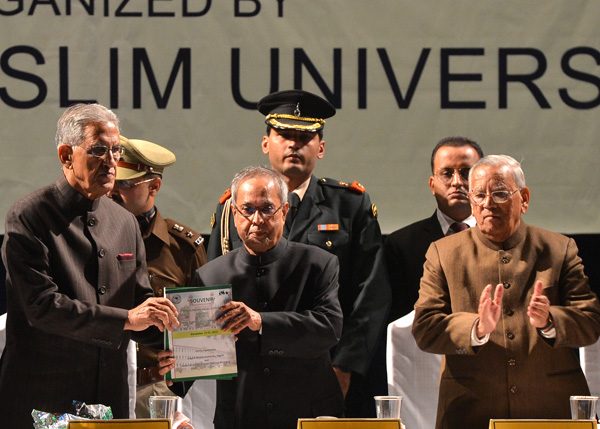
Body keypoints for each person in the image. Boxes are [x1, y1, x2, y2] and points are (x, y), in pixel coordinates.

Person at [207, 90, 390, 416]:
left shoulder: (349, 205)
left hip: (325, 371)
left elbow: (370, 296)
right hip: (250, 379)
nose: (294, 144)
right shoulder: (231, 208)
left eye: (305, 137)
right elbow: (212, 295)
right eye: (285, 135)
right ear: (266, 144)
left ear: (320, 147)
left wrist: (345, 365)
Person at [0, 103, 179, 427]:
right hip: (44, 401)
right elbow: (42, 307)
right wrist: (129, 318)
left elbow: (139, 303)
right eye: (99, 150)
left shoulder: (125, 222)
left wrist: (186, 339)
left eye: (115, 150)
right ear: (66, 155)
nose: (111, 161)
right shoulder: (29, 216)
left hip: (107, 400)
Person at [412, 154, 600, 429]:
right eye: (478, 195)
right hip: (470, 410)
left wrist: (549, 321)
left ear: (523, 198)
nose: (488, 203)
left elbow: (590, 323)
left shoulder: (559, 249)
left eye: (500, 193)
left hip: (549, 408)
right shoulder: (443, 253)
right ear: (472, 204)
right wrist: (476, 328)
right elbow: (425, 328)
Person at [170, 166, 344, 428]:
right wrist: (175, 367)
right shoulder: (210, 276)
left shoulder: (318, 264)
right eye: (247, 210)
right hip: (240, 415)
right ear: (234, 213)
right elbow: (198, 357)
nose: (257, 219)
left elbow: (329, 328)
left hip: (309, 414)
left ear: (284, 212)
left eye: (267, 209)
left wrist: (260, 321)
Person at [108, 136, 207, 417]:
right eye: (112, 180)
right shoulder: (88, 239)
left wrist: (186, 359)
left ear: (154, 186)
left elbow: (202, 328)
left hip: (157, 390)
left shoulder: (184, 248)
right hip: (101, 384)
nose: (113, 190)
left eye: (125, 184)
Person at [384, 136, 483, 321]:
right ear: (432, 185)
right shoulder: (402, 245)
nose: (457, 182)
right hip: (422, 346)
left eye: (466, 173)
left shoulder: (502, 238)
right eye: (447, 173)